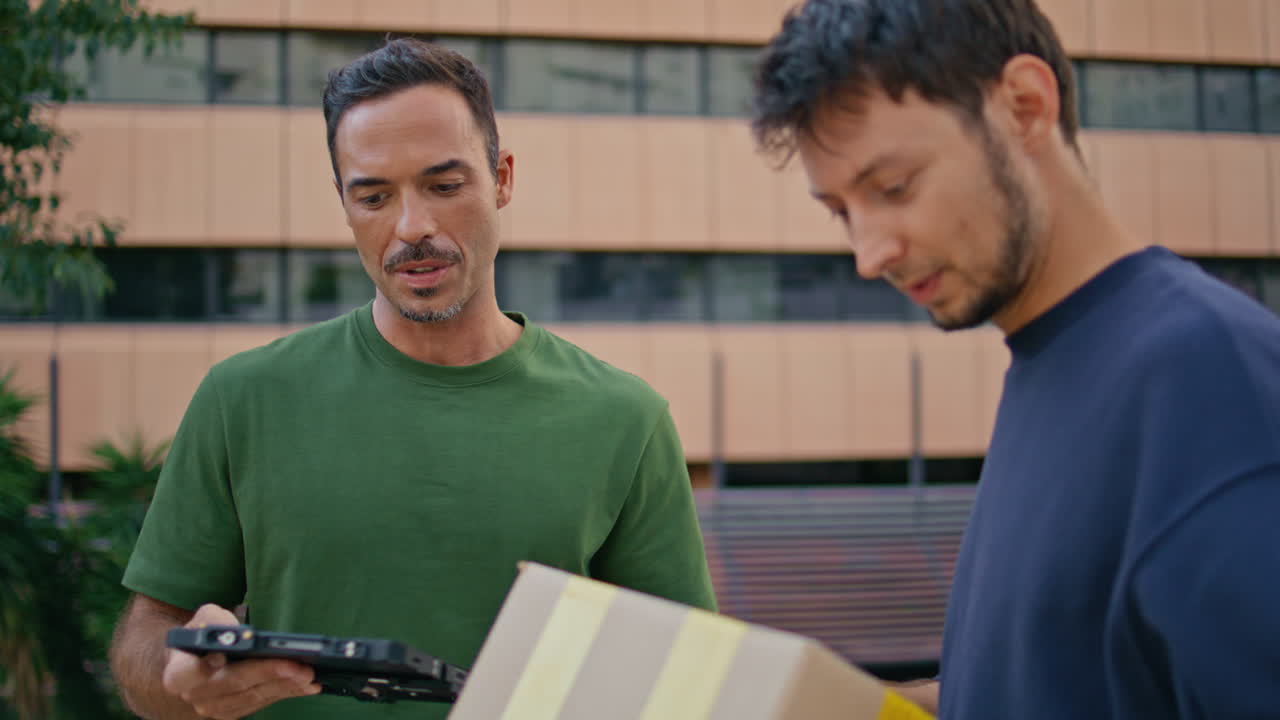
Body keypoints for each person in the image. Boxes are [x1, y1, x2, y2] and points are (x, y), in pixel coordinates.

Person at [108, 38, 717, 720]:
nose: (413, 227)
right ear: (343, 203)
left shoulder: (625, 419)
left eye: (444, 185)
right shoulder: (241, 398)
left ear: (503, 178)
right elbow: (144, 639)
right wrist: (179, 673)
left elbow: (684, 682)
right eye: (373, 196)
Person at [751, 0, 1280, 718]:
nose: (868, 254)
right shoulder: (1054, 361)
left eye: (894, 188)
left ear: (1025, 108)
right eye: (842, 212)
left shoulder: (1205, 383)